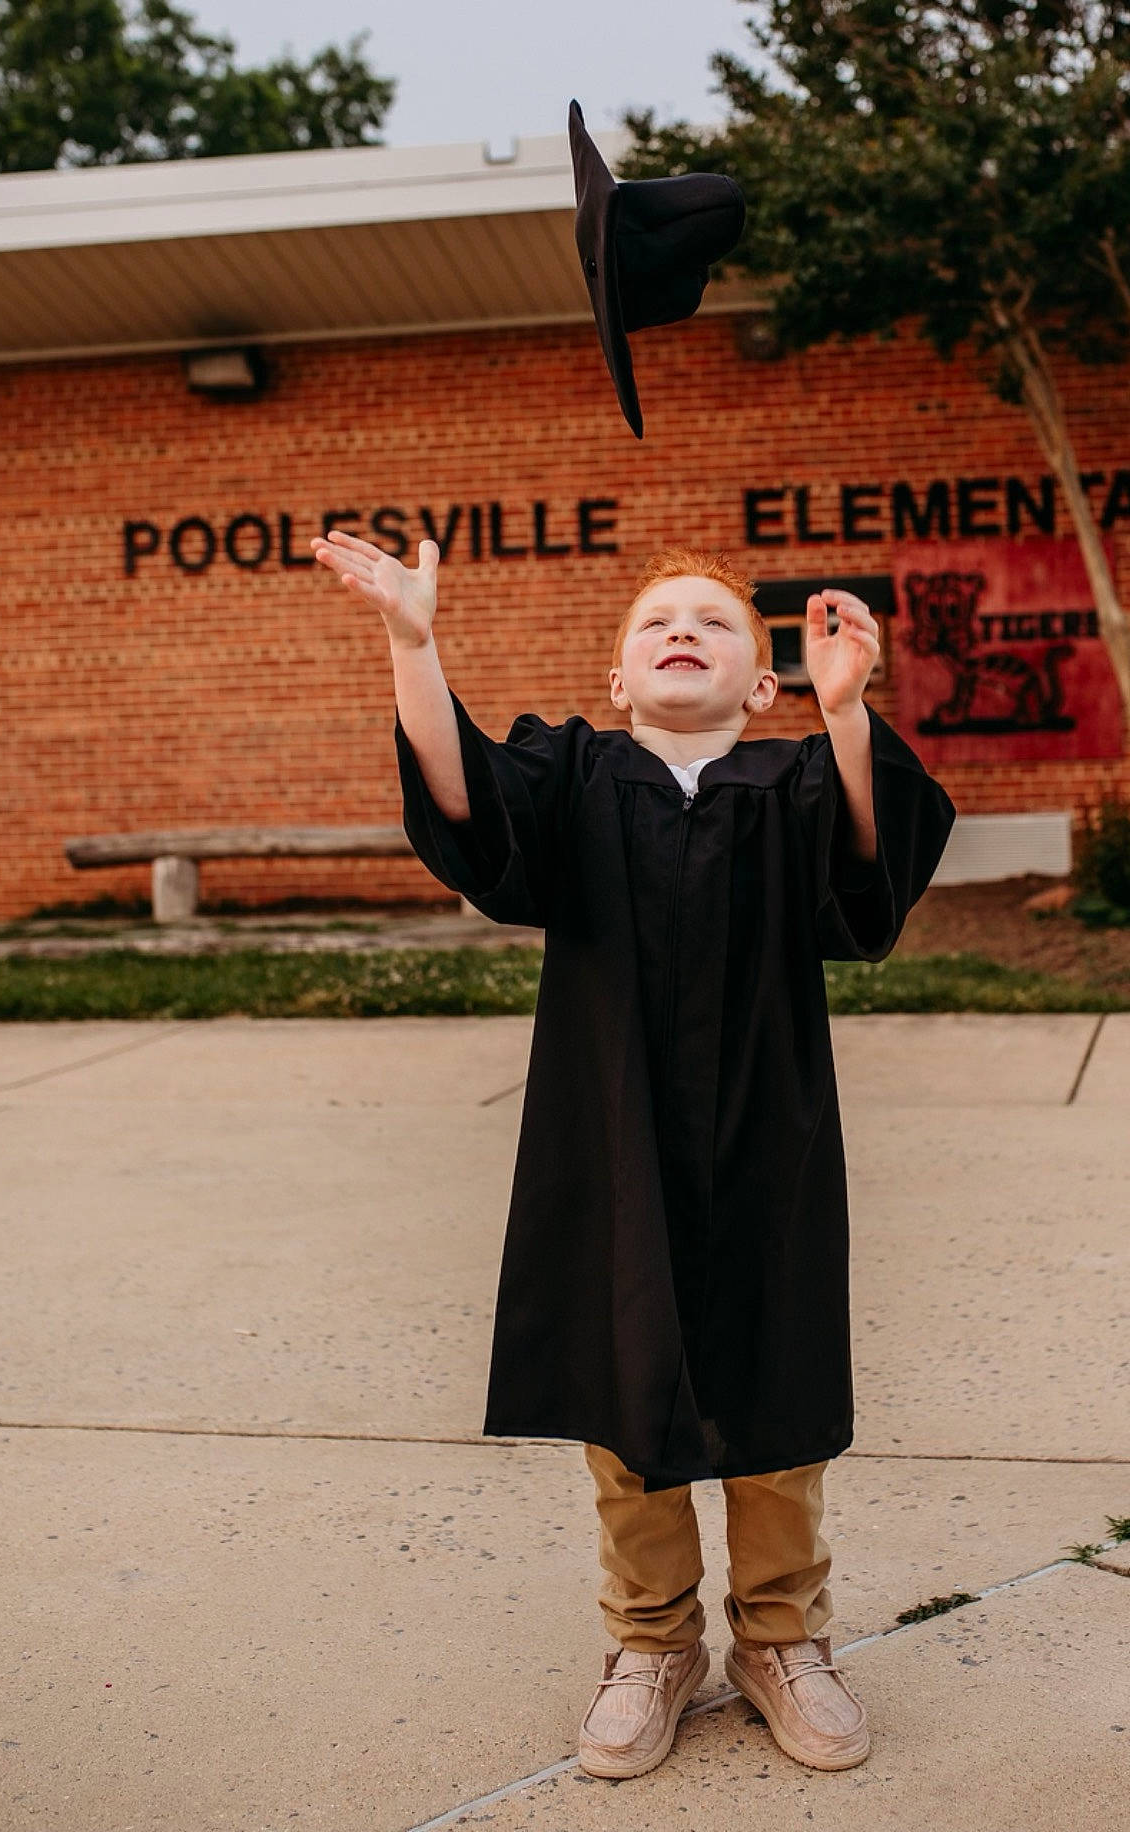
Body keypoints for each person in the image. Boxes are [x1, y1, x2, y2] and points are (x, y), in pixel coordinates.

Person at [309, 526, 956, 1782]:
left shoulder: (797, 779)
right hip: (608, 1132)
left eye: (715, 623)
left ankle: (781, 1636)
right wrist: (412, 640)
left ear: (761, 684)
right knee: (624, 1377)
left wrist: (846, 712)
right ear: (617, 677)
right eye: (657, 620)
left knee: (775, 1381)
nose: (683, 632)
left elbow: (876, 869)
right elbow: (463, 799)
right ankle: (651, 1641)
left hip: (766, 1134)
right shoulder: (575, 775)